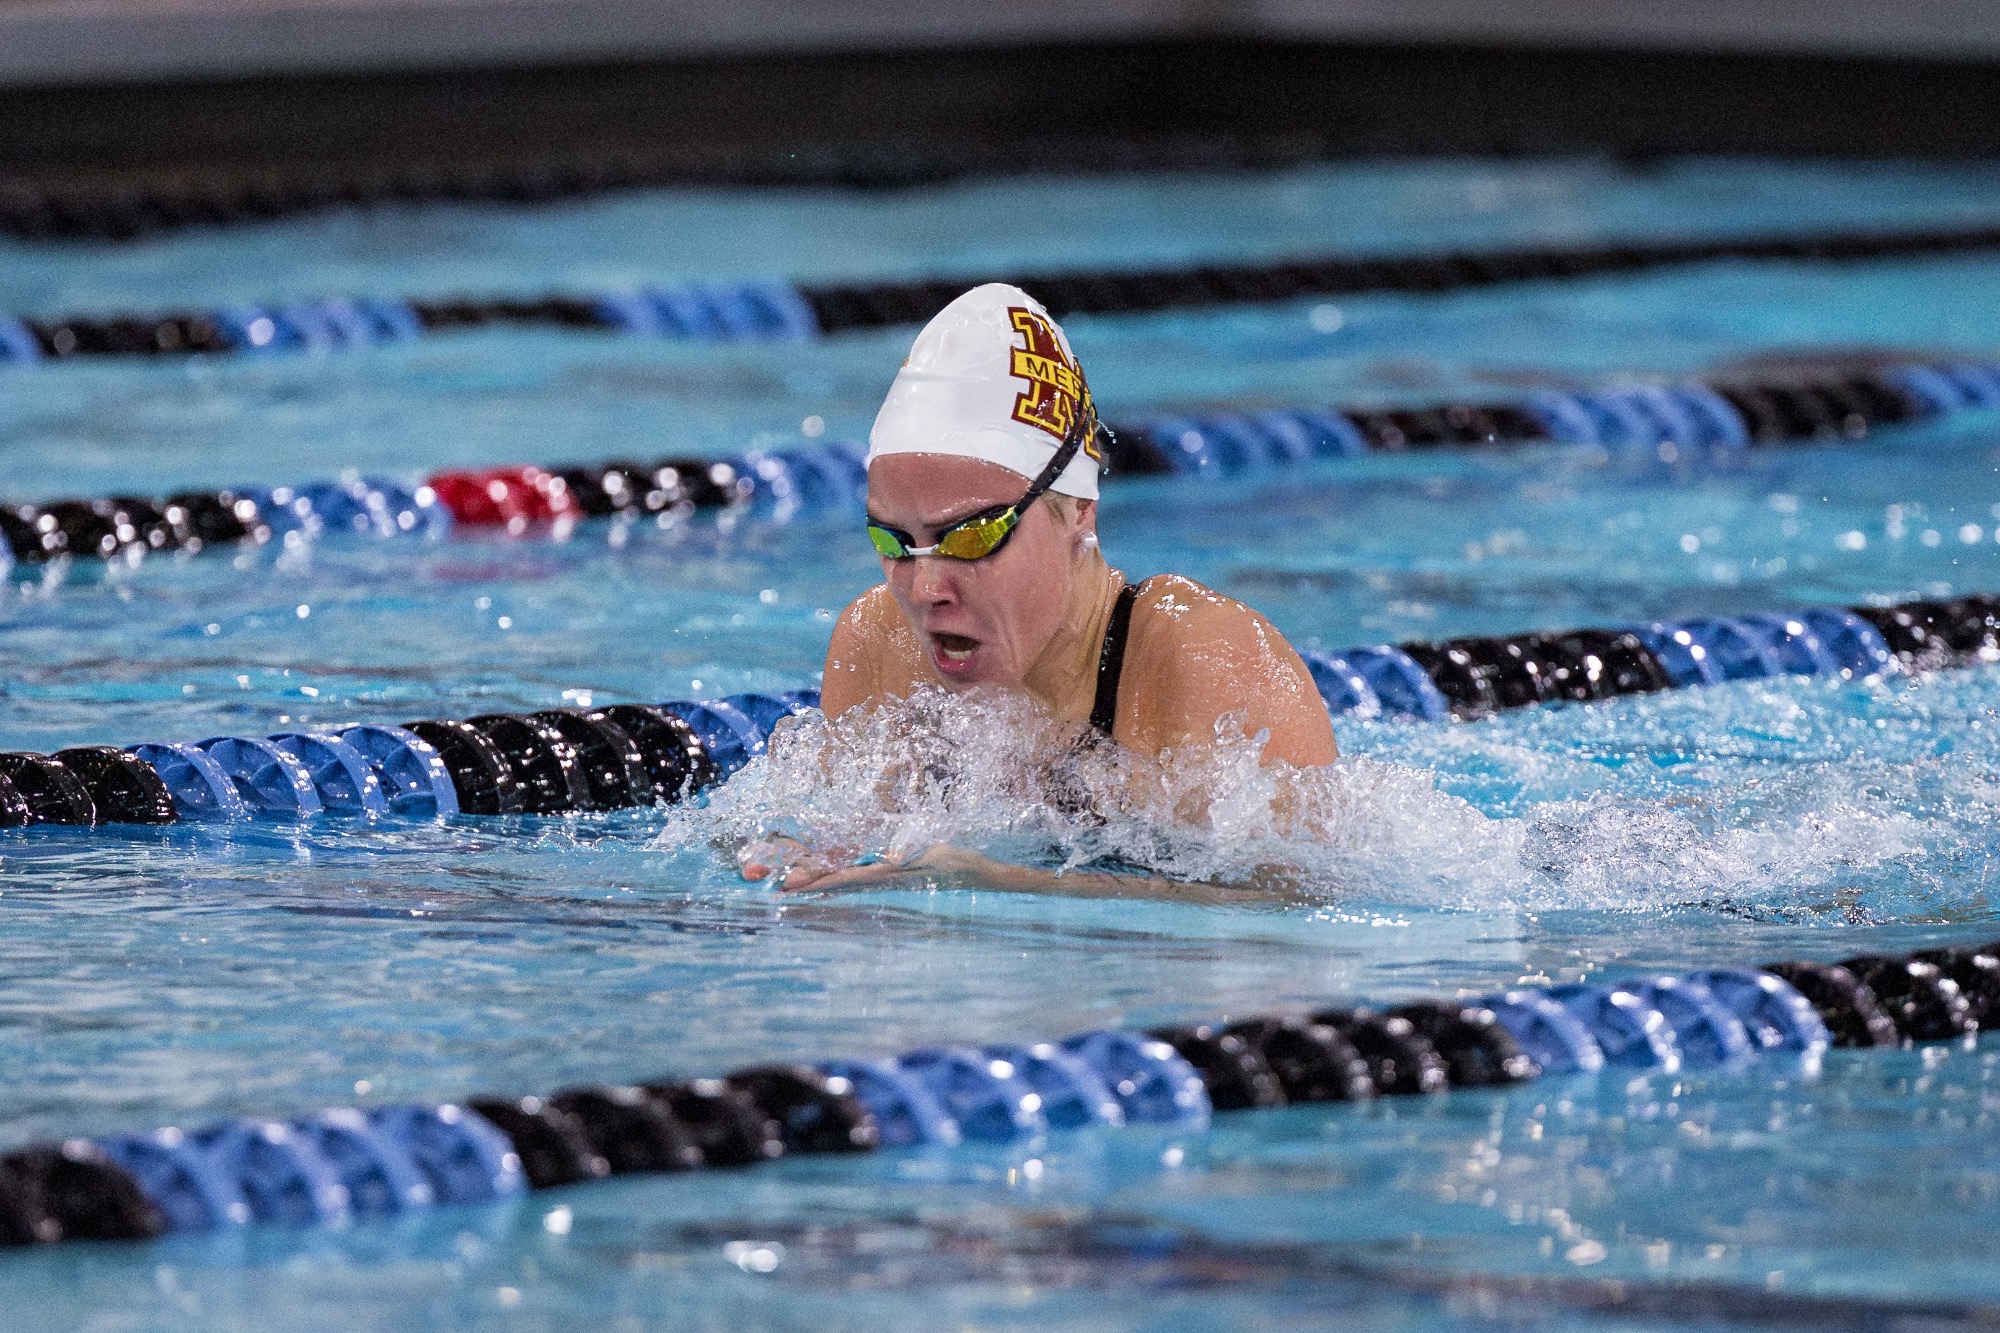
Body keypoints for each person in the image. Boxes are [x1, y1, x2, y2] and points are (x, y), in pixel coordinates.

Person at [741, 283, 1337, 892]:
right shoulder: (878, 645)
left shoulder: (1204, 661)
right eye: (893, 542)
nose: (923, 590)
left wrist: (1008, 885)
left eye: (971, 536)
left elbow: (1296, 902)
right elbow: (855, 858)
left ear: (1079, 510)